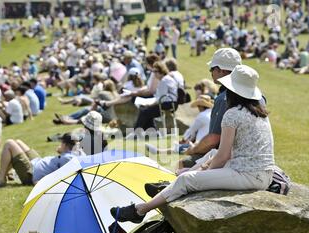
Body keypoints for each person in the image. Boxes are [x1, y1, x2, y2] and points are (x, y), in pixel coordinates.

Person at [110, 65, 276, 223]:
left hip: (250, 175)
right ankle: (177, 182)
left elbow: (225, 155)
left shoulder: (232, 114)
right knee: (209, 156)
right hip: (262, 173)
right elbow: (227, 153)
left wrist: (201, 175)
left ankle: (140, 210)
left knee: (187, 180)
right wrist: (202, 170)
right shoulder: (259, 112)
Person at [179, 48, 242, 169]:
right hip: (243, 156)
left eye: (212, 69)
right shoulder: (257, 96)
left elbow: (214, 139)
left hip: (228, 159)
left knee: (181, 165)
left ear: (221, 70)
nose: (210, 72)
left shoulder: (224, 98)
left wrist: (193, 149)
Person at [0, 133, 80, 189]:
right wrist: (62, 150)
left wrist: (39, 183)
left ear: (64, 144)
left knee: (9, 143)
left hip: (31, 173)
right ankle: (3, 174)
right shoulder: (71, 154)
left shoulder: (68, 158)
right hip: (38, 161)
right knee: (18, 142)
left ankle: (0, 179)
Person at [146, 95, 213, 155]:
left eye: (198, 106)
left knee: (180, 148)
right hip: (209, 143)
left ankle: (159, 151)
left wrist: (183, 139)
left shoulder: (202, 116)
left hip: (201, 144)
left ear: (201, 106)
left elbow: (191, 130)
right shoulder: (211, 113)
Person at [132, 61, 179, 132]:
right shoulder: (166, 79)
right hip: (169, 103)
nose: (154, 74)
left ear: (161, 71)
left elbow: (160, 99)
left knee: (144, 111)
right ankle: (153, 132)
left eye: (155, 71)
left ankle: (136, 132)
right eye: (153, 71)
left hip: (167, 104)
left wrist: (149, 104)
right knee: (145, 111)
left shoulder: (164, 80)